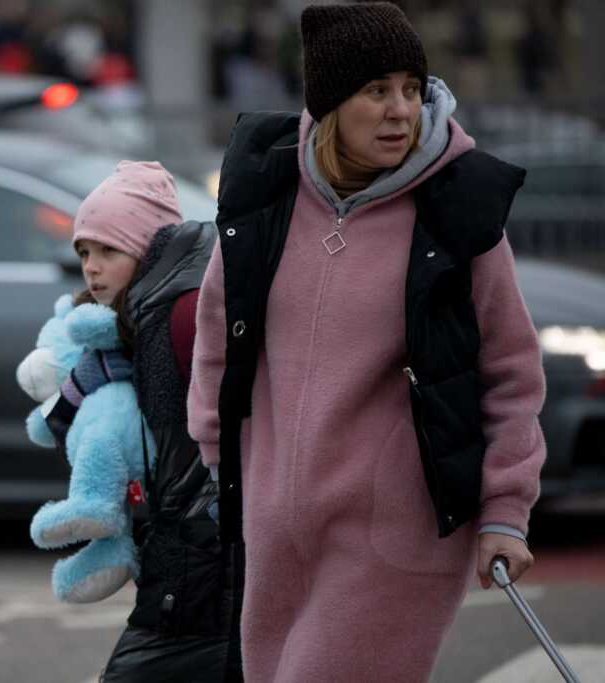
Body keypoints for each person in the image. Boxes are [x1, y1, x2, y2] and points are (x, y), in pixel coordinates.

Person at [187, 3, 546, 681]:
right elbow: (219, 328)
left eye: (411, 89)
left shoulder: (458, 211)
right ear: (329, 106)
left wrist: (505, 508)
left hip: (394, 530)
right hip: (272, 525)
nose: (400, 110)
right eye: (376, 91)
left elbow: (512, 372)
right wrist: (216, 453)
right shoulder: (267, 197)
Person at [27, 161, 242, 680]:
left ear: (147, 249)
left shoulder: (179, 315)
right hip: (195, 571)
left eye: (108, 251)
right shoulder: (137, 322)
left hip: (202, 574)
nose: (92, 268)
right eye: (84, 253)